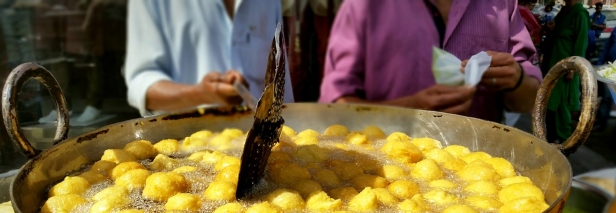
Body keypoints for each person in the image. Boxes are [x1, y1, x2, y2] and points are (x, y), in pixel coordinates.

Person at [319, 0, 541, 122]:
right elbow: (333, 109)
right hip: (384, 172)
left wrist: (516, 80)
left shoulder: (501, 5)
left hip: (478, 176)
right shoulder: (364, 6)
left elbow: (530, 100)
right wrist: (411, 107)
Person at [124, 0, 294, 117]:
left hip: (265, 150)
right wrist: (200, 94)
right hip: (185, 152)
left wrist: (290, 129)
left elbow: (278, 72)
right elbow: (141, 83)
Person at [540, 0, 588, 143]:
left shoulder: (580, 13)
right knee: (548, 101)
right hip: (552, 64)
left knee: (562, 105)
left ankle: (563, 140)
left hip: (566, 69)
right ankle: (549, 136)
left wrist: (573, 68)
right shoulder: (563, 11)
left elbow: (581, 42)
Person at [596, 8, 616, 147]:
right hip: (612, 69)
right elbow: (607, 47)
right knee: (608, 97)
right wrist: (600, 64)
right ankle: (601, 123)